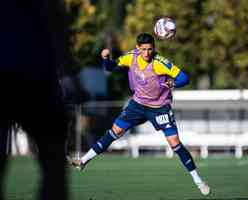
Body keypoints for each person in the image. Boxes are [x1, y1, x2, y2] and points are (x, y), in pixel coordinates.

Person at [67, 33, 210, 195]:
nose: (147, 53)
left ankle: (198, 180)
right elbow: (110, 67)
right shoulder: (131, 57)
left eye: (150, 49)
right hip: (138, 105)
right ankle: (83, 161)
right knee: (115, 131)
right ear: (137, 48)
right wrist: (106, 59)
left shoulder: (160, 62)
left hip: (160, 108)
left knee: (175, 143)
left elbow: (185, 79)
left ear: (154, 48)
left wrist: (173, 83)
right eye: (144, 49)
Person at [0, 0, 70, 200]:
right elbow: (57, 22)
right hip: (37, 78)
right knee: (54, 165)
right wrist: (73, 75)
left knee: (53, 161)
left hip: (33, 77)